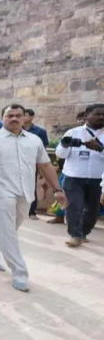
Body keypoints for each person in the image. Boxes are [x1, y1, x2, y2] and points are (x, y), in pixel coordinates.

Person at [0, 104, 66, 292]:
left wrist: (58, 189)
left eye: (19, 115)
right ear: (2, 118)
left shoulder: (34, 141)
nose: (15, 118)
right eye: (10, 115)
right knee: (8, 232)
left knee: (7, 230)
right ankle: (20, 273)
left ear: (25, 118)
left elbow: (45, 165)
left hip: (26, 193)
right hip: (0, 193)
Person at [56, 103, 104, 247]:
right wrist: (65, 145)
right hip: (73, 177)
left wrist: (100, 148)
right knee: (74, 206)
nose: (101, 117)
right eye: (97, 114)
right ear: (86, 116)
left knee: (93, 211)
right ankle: (75, 235)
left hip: (97, 179)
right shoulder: (73, 132)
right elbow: (59, 154)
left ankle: (83, 232)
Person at [23, 108, 50, 220]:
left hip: (32, 163)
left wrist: (40, 166)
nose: (24, 117)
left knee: (32, 186)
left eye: (26, 115)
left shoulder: (40, 131)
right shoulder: (16, 129)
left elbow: (43, 149)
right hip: (16, 162)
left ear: (31, 117)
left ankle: (32, 212)